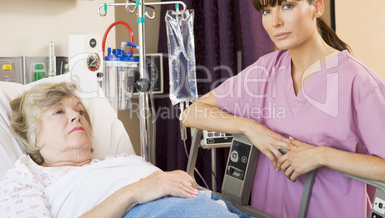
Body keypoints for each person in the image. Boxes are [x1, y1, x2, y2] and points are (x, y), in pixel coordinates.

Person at [183, 0, 385, 218]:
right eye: (266, 11)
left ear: (316, 8)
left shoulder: (359, 81)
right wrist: (250, 128)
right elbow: (193, 113)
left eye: (287, 6)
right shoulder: (265, 70)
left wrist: (321, 156)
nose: (275, 21)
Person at [0, 82, 247, 218]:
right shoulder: (27, 175)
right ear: (33, 134)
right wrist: (135, 192)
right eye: (58, 112)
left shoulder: (121, 159)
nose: (76, 117)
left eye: (80, 111)